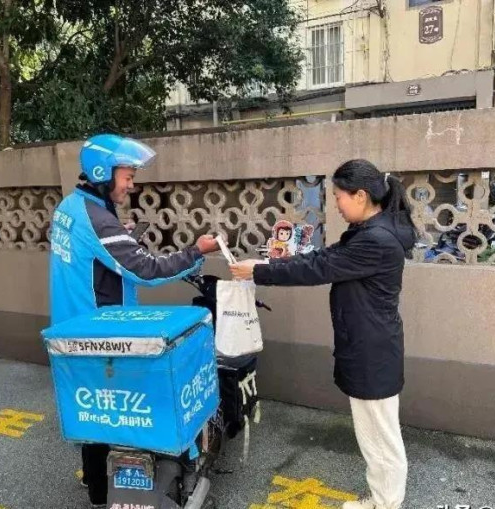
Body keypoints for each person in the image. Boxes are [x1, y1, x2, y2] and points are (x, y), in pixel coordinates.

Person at [230, 159, 417, 509]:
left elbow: (319, 267)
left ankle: (385, 504)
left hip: (372, 351)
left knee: (381, 437)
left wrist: (261, 271)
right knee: (375, 433)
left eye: (339, 196)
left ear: (360, 196)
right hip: (369, 345)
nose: (336, 204)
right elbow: (324, 258)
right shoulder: (369, 231)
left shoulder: (376, 240)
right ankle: (383, 500)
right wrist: (267, 264)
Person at [49, 133, 219, 507]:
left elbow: (91, 251)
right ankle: (102, 491)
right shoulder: (99, 219)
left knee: (91, 407)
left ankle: (95, 480)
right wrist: (195, 251)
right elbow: (146, 270)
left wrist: (118, 236)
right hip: (98, 331)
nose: (131, 184)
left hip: (73, 321)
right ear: (102, 173)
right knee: (109, 411)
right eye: (127, 176)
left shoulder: (72, 205)